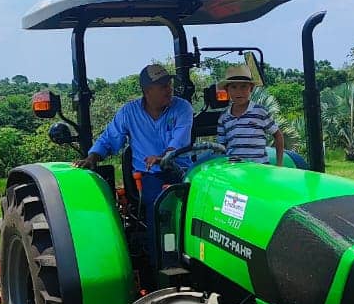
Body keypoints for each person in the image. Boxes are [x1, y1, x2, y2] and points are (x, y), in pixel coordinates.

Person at [73, 64, 193, 217]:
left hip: (182, 170)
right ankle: (156, 241)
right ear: (147, 90)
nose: (169, 90)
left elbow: (179, 140)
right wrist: (92, 157)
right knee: (161, 204)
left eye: (169, 85)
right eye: (163, 86)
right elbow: (110, 138)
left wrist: (164, 157)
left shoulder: (183, 107)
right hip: (150, 175)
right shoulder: (129, 112)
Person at [216, 65, 284, 165]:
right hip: (235, 169)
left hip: (259, 168)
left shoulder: (260, 111)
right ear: (227, 90)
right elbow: (221, 147)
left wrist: (279, 164)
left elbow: (278, 136)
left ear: (251, 89)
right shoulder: (224, 117)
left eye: (244, 86)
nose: (239, 91)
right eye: (234, 87)